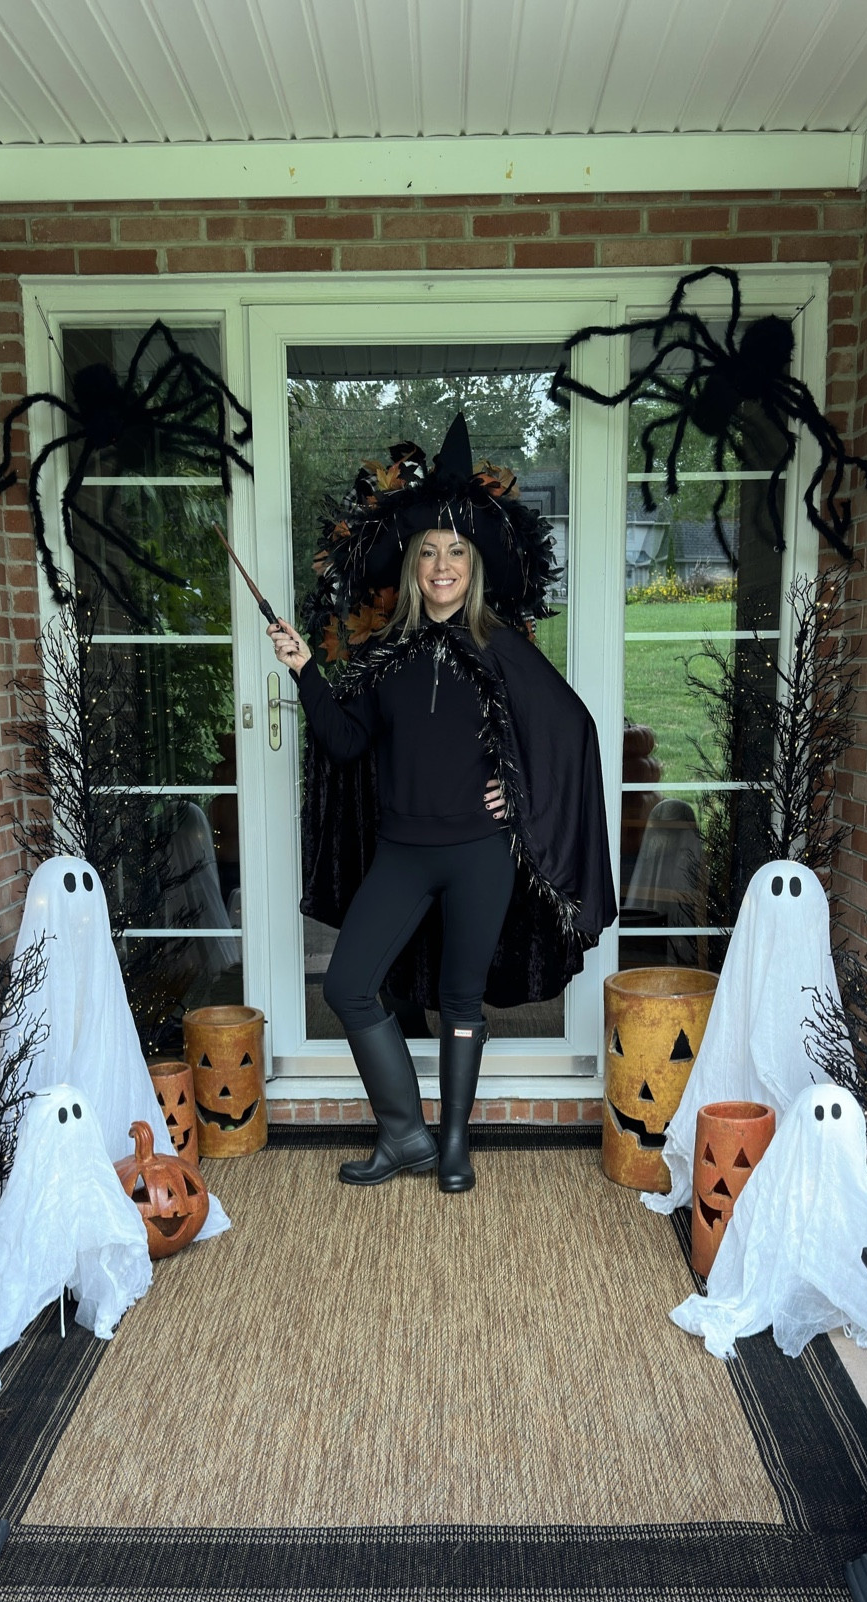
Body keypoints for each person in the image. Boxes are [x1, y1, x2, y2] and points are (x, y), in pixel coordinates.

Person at [271, 414, 616, 1194]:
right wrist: (304, 671)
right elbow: (349, 743)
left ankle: (454, 1144)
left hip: (478, 855)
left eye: (455, 552)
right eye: (428, 552)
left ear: (474, 566)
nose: (441, 565)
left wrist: (517, 795)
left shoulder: (501, 648)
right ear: (412, 564)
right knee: (349, 984)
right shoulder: (385, 656)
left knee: (462, 999)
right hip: (402, 852)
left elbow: (573, 731)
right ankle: (405, 1134)